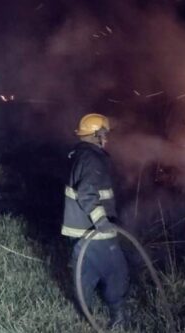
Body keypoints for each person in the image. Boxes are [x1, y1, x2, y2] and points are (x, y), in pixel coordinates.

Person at [61, 113, 129, 329]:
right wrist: (101, 221)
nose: (107, 139)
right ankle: (119, 316)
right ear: (97, 135)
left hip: (80, 232)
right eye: (105, 135)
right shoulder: (92, 158)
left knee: (86, 273)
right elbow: (86, 193)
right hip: (95, 231)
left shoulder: (80, 155)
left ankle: (82, 314)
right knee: (116, 270)